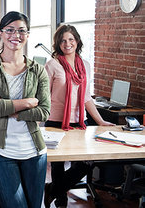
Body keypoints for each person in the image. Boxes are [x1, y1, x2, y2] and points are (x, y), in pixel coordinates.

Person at [0, 11, 50, 208]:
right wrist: (26, 103)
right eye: (9, 30)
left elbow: (44, 112)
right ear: (1, 33)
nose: (15, 35)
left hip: (34, 151)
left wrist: (6, 107)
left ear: (27, 35)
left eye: (21, 31)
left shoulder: (38, 70)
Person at [44, 24, 114, 208]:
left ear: (77, 41)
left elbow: (86, 97)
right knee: (58, 165)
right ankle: (61, 202)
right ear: (58, 44)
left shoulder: (86, 66)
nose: (67, 44)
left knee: (85, 163)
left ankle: (53, 189)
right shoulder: (52, 65)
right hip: (55, 121)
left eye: (71, 40)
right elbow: (43, 96)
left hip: (79, 122)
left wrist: (100, 121)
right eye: (63, 40)